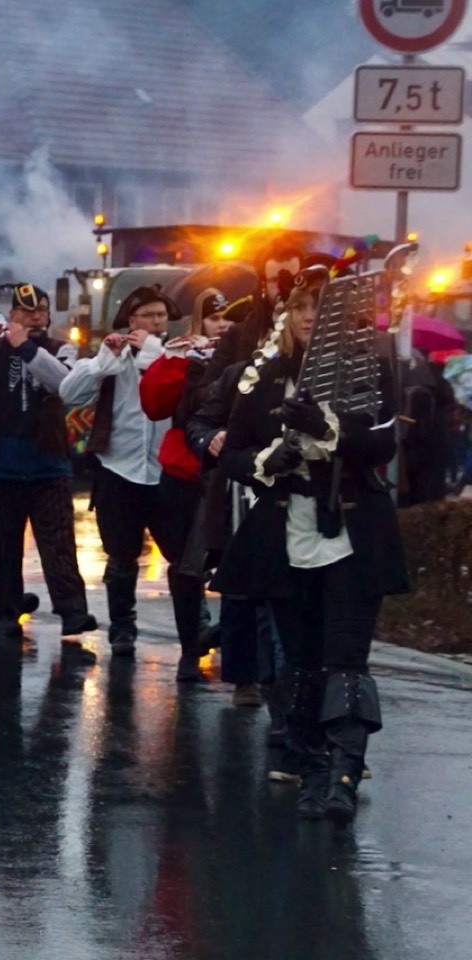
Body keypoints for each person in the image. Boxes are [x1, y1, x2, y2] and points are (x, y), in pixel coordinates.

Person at [211, 268, 407, 824]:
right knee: (297, 664)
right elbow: (232, 449)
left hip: (349, 533)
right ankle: (311, 771)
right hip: (284, 533)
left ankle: (344, 777)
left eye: (319, 308)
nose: (308, 317)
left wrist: (329, 428)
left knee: (346, 659)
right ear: (286, 316)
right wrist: (262, 463)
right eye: (299, 307)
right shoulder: (264, 376)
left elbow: (380, 443)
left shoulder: (368, 372)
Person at [0, 283, 97, 643]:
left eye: (40, 311)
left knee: (58, 543)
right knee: (4, 544)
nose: (34, 317)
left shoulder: (61, 348)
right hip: (2, 463)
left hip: (49, 462)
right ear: (12, 314)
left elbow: (64, 385)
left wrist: (27, 348)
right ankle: (5, 610)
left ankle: (72, 611)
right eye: (26, 311)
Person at [58, 286, 178, 657]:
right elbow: (69, 393)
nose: (156, 322)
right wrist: (102, 359)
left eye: (161, 316)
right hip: (118, 469)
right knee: (121, 557)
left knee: (182, 553)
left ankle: (197, 624)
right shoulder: (114, 358)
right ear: (131, 321)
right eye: (148, 316)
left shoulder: (174, 356)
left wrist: (155, 354)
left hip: (166, 470)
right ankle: (123, 627)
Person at [136, 290, 236, 682]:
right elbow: (155, 404)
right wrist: (177, 359)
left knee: (229, 564)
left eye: (229, 319)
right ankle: (190, 645)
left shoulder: (249, 354)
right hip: (182, 470)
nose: (222, 326)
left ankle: (233, 645)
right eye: (214, 319)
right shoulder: (183, 355)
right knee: (182, 566)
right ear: (199, 323)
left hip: (229, 472)